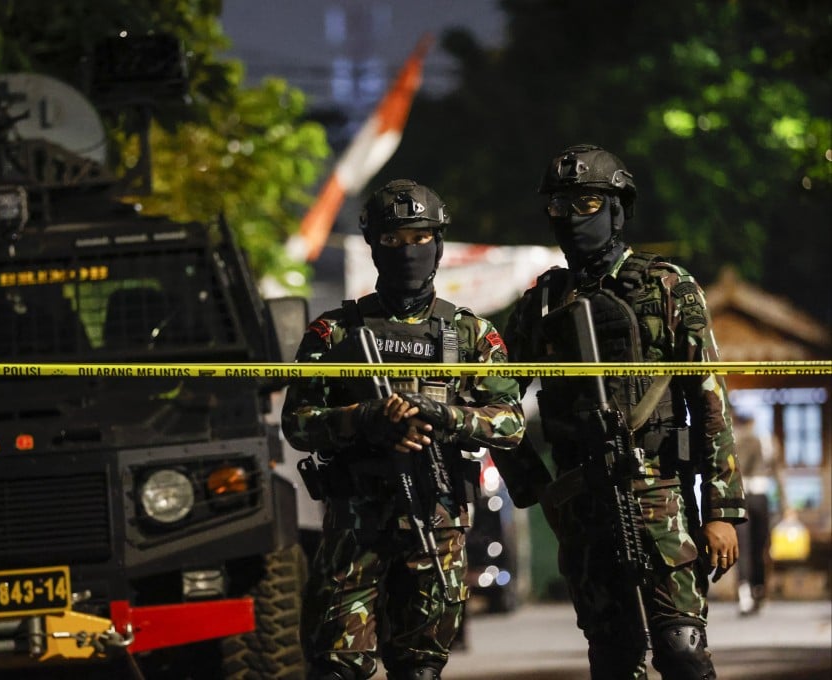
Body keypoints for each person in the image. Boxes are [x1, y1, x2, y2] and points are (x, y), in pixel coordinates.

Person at [503, 144, 746, 679]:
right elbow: (494, 403)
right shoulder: (539, 305)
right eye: (560, 206)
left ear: (617, 207)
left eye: (587, 202)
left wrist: (723, 511)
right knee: (613, 659)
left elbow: (709, 399)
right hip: (582, 503)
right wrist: (538, 488)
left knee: (682, 649)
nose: (571, 217)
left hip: (660, 496)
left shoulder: (666, 287)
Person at [282, 179, 525, 680]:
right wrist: (362, 419)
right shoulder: (335, 333)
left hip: (436, 525)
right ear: (373, 246)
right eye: (392, 240)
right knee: (336, 666)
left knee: (420, 668)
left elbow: (509, 423)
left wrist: (445, 417)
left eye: (419, 238)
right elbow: (298, 424)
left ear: (437, 243)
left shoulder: (470, 334)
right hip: (356, 526)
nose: (407, 251)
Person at [732, 412, 776, 615]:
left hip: (752, 494)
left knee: (756, 545)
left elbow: (775, 468)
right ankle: (749, 593)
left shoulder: (751, 439)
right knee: (750, 546)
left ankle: (754, 590)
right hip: (752, 494)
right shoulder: (760, 439)